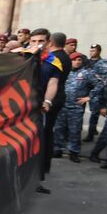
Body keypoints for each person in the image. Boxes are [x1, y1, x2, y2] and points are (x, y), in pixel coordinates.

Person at [30, 29, 69, 192]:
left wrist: (47, 101)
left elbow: (53, 83)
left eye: (41, 41)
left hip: (38, 106)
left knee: (39, 140)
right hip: (20, 105)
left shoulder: (54, 62)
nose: (37, 44)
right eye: (33, 41)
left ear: (48, 42)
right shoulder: (23, 56)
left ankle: (35, 180)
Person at [55, 53, 94, 162]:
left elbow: (100, 85)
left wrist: (89, 97)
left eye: (79, 60)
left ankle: (74, 152)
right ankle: (58, 149)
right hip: (62, 105)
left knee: (75, 131)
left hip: (76, 107)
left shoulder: (86, 73)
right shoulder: (64, 71)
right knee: (59, 129)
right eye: (74, 60)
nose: (77, 62)